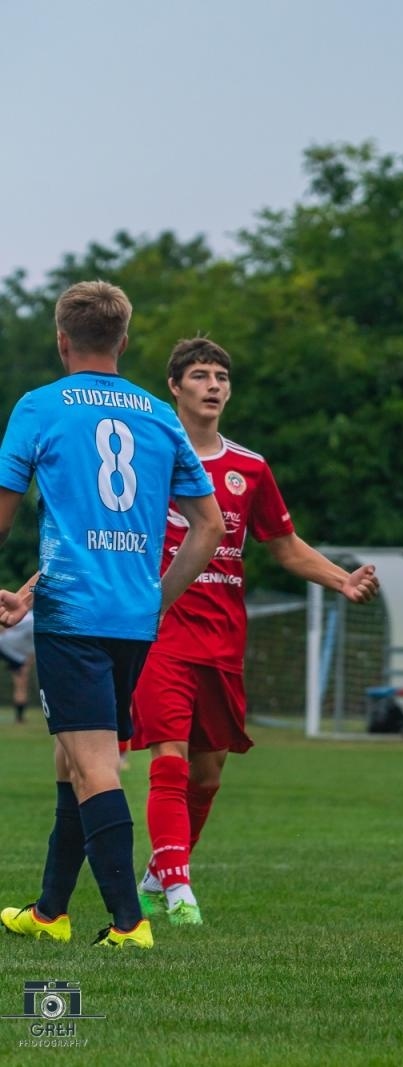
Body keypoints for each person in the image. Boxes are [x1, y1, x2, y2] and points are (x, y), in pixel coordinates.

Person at [0, 281, 224, 950]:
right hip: (131, 619)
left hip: (73, 615)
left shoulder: (40, 407)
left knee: (95, 762)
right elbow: (206, 527)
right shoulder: (159, 416)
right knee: (74, 761)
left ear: (62, 340)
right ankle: (48, 912)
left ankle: (129, 924)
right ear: (124, 342)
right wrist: (156, 597)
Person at [131, 336, 380, 924]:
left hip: (222, 638)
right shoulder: (145, 458)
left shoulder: (250, 468)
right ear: (175, 386)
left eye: (221, 375)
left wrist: (341, 580)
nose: (213, 385)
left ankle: (156, 874)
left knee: (208, 768)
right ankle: (181, 893)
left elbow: (285, 547)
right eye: (199, 375)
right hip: (159, 628)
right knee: (167, 756)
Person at [0, 608, 35, 722]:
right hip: (10, 650)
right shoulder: (32, 619)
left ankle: (19, 717)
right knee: (21, 684)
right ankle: (19, 718)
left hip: (15, 654)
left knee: (21, 684)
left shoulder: (31, 617)